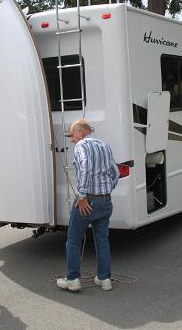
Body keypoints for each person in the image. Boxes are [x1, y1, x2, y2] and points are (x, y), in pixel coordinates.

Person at [57, 119, 119, 292]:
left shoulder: (82, 146)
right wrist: (106, 190)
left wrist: (83, 195)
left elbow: (84, 166)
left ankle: (72, 280)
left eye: (72, 134)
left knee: (74, 240)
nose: (71, 139)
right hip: (105, 201)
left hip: (88, 200)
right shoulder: (105, 145)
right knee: (102, 240)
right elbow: (115, 171)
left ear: (80, 130)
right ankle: (105, 279)